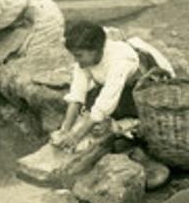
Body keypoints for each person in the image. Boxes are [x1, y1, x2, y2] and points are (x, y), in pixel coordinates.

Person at [50, 21, 176, 150]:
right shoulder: (87, 60)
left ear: (96, 50)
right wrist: (65, 129)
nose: (76, 60)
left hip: (143, 87)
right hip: (118, 87)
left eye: (79, 55)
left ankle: (131, 126)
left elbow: (106, 101)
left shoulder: (120, 60)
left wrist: (76, 137)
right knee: (90, 108)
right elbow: (77, 94)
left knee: (106, 117)